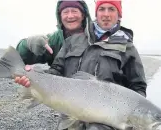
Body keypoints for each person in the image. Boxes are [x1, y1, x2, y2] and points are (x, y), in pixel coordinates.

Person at [15, 0, 147, 129]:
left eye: (111, 9)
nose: (106, 14)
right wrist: (33, 76)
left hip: (107, 123)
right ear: (96, 13)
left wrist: (134, 117)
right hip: (70, 117)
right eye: (101, 9)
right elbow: (56, 71)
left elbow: (138, 87)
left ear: (119, 15)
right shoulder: (72, 41)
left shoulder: (128, 48)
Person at [16, 0, 91, 66]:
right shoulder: (53, 40)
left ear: (83, 15)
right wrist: (28, 44)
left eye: (74, 11)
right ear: (60, 17)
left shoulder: (95, 36)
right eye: (65, 12)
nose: (70, 16)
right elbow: (20, 59)